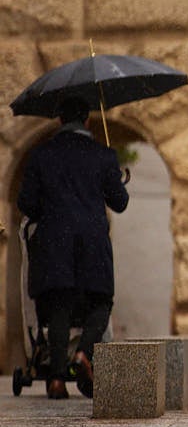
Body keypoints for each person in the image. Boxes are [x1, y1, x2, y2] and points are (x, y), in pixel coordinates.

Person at [17, 96, 129, 400]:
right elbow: (119, 203)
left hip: (54, 244)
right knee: (100, 303)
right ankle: (82, 355)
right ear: (89, 121)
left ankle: (55, 380)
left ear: (59, 121)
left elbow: (26, 203)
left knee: (58, 309)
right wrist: (115, 176)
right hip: (93, 244)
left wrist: (52, 211)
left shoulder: (41, 156)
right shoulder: (104, 156)